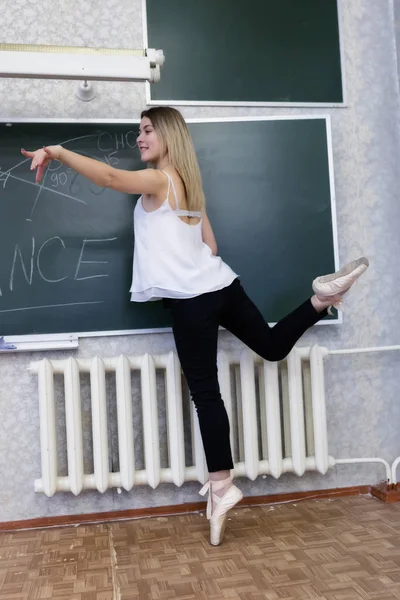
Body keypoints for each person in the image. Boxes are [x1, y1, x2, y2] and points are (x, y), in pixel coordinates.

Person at [21, 107, 369, 546]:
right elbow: (211, 245)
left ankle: (222, 487)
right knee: (273, 345)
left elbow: (109, 179)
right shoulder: (189, 186)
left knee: (206, 394)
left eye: (147, 131)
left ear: (167, 134)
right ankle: (321, 298)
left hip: (191, 302)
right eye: (139, 132)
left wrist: (57, 151)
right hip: (222, 283)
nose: (139, 139)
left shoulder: (159, 180)